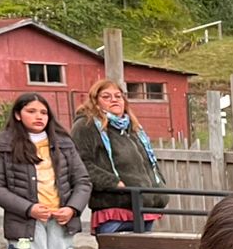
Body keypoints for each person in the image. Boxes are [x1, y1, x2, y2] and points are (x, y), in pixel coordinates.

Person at [0, 92, 91, 249]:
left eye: (43, 112)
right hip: (26, 223)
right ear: (18, 115)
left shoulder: (64, 143)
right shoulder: (3, 144)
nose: (39, 116)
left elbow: (82, 181)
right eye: (31, 111)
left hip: (60, 221)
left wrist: (72, 209)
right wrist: (29, 208)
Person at [71, 78, 167, 234]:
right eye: (106, 97)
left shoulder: (134, 128)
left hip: (144, 206)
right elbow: (79, 163)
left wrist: (160, 186)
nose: (114, 100)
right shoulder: (86, 125)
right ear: (95, 101)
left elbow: (150, 163)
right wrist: (114, 183)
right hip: (114, 207)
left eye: (118, 96)